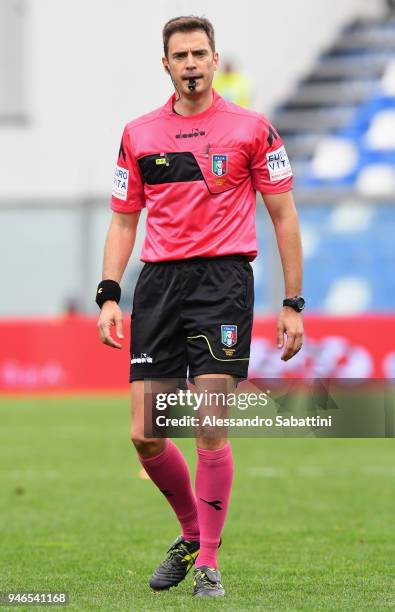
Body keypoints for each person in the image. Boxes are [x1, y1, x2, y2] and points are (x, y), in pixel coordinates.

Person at [96, 15, 304, 599]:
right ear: (165, 64)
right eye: (179, 55)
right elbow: (122, 219)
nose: (190, 64)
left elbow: (284, 217)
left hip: (223, 282)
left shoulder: (253, 129)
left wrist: (293, 303)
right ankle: (191, 534)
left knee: (210, 424)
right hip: (158, 287)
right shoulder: (138, 134)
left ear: (216, 61)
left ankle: (209, 563)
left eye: (199, 54)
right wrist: (109, 293)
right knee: (146, 434)